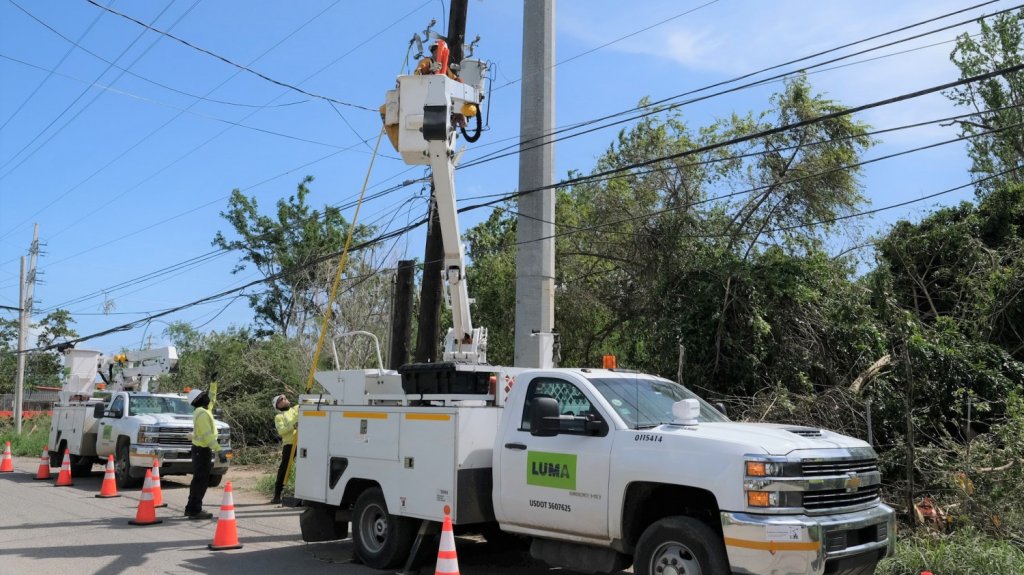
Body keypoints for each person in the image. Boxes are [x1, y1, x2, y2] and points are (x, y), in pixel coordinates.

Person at [185, 382, 221, 519]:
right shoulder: (203, 414)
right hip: (202, 450)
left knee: (199, 480)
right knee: (201, 481)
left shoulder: (204, 410)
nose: (207, 397)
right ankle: (194, 510)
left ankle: (191, 508)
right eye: (203, 395)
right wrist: (219, 450)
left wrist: (213, 384)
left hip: (200, 450)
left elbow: (212, 398)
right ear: (199, 400)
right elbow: (208, 436)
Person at [272, 393, 298, 504]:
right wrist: (293, 425)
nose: (284, 398)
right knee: (284, 468)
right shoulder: (279, 417)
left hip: (303, 443)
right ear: (278, 405)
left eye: (284, 397)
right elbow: (281, 431)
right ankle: (277, 494)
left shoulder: (295, 409)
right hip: (290, 444)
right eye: (281, 399)